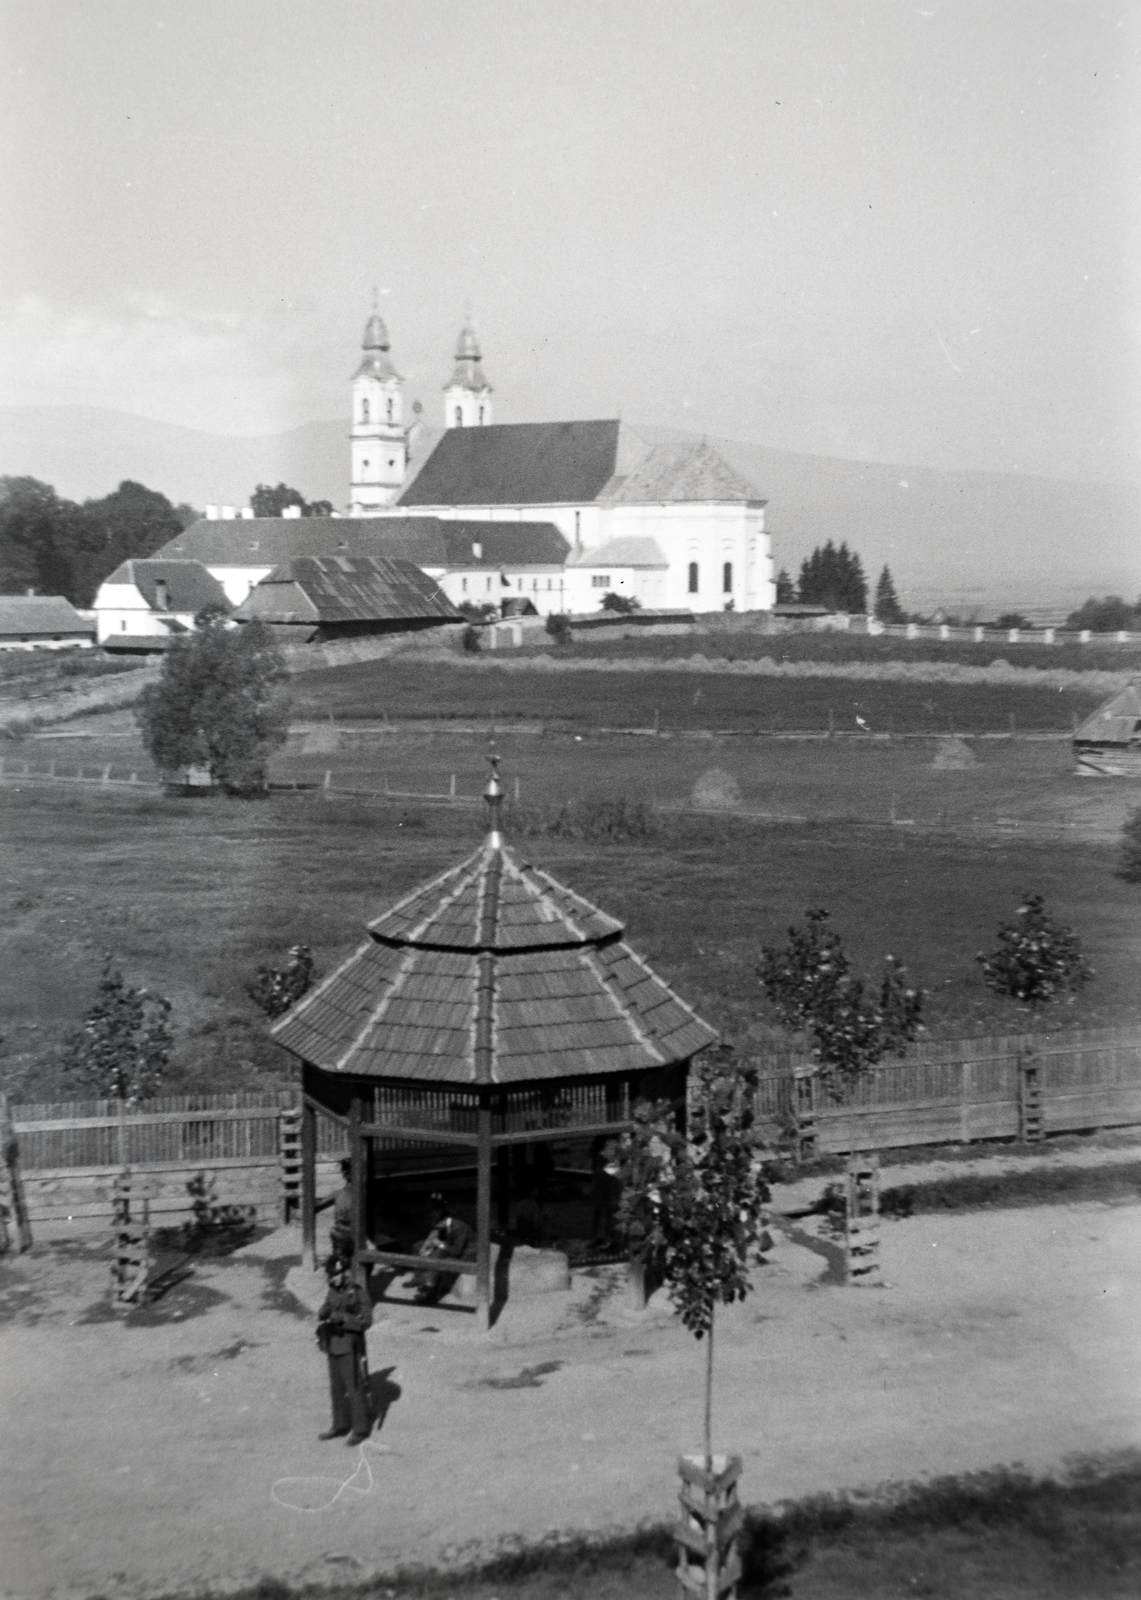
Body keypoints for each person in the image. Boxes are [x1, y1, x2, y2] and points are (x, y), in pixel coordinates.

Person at [315, 1253, 373, 1443]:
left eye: (335, 1274)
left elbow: (366, 1321)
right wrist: (323, 1312)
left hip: (349, 1345)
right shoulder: (332, 1289)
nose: (332, 1279)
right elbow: (327, 1306)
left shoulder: (357, 1292)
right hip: (332, 1344)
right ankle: (339, 1425)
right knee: (336, 1389)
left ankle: (361, 1429)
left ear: (344, 1272)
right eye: (330, 1275)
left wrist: (342, 1319)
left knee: (354, 1388)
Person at [408, 1193, 475, 1305]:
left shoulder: (459, 1228)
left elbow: (457, 1251)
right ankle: (419, 1278)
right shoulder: (444, 1225)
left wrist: (439, 1245)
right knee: (418, 1245)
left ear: (443, 1221)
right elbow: (436, 1237)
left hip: (467, 1254)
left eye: (437, 1226)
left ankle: (430, 1290)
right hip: (451, 1248)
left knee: (438, 1255)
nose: (436, 1229)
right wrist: (428, 1246)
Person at [316, 1159, 356, 1262]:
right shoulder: (361, 1194)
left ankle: (338, 1257)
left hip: (339, 1234)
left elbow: (318, 1205)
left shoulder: (337, 1194)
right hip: (356, 1235)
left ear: (344, 1175)